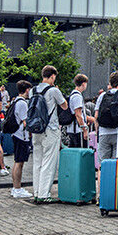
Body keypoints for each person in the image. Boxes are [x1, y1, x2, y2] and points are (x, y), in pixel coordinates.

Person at [31, 65, 69, 203]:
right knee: (49, 161)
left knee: (37, 161)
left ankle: (36, 191)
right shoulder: (53, 90)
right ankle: (44, 194)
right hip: (50, 128)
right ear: (52, 76)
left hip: (36, 129)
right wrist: (59, 93)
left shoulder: (33, 90)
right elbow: (64, 106)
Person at [95, 71, 118, 185]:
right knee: (116, 164)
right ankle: (114, 193)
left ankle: (101, 195)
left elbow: (96, 117)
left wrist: (98, 133)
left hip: (103, 133)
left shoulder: (102, 96)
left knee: (102, 165)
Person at [9, 80, 32, 198]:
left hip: (16, 134)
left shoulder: (15, 100)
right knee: (19, 162)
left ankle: (15, 187)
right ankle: (17, 188)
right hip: (21, 135)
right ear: (27, 90)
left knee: (17, 161)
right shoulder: (22, 103)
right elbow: (25, 121)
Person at [65, 74, 92, 148]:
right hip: (77, 130)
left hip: (72, 129)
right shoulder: (77, 96)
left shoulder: (72, 95)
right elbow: (78, 114)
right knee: (81, 152)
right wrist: (84, 129)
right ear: (83, 84)